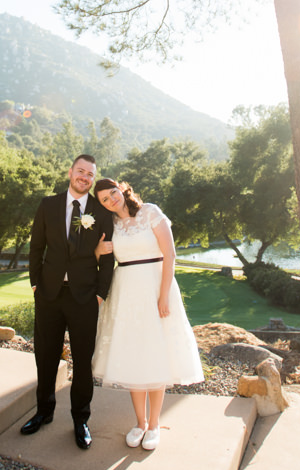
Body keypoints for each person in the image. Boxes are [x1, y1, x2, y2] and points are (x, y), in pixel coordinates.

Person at [91, 178, 203, 451]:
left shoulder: (150, 211)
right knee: (133, 354)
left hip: (155, 287)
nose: (111, 200)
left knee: (156, 353)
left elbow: (170, 254)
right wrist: (96, 252)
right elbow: (98, 262)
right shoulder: (110, 226)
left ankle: (154, 425)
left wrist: (163, 295)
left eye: (112, 193)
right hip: (125, 292)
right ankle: (139, 423)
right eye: (104, 199)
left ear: (122, 189)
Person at [20, 154, 115, 450]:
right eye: (80, 171)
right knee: (46, 356)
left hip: (85, 296)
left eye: (90, 174)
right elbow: (36, 247)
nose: (84, 177)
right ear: (70, 171)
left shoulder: (100, 211)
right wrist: (35, 283)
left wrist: (101, 294)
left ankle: (80, 420)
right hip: (48, 294)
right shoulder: (48, 205)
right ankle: (43, 412)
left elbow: (107, 256)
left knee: (82, 360)